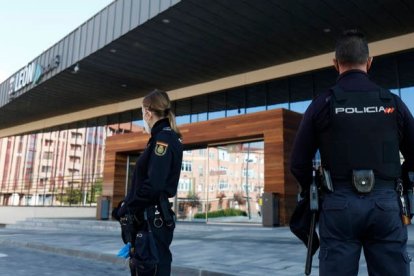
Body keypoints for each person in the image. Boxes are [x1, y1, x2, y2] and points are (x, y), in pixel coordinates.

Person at [290, 29, 414, 275]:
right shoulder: (392, 102)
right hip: (386, 203)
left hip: (338, 204)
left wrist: (315, 191)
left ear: (335, 64)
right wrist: (397, 181)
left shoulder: (322, 103)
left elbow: (298, 163)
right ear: (369, 62)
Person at [115, 89, 183, 276]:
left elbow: (154, 185)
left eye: (142, 113)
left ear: (148, 112)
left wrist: (126, 207)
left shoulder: (163, 140)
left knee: (150, 269)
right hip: (150, 219)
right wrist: (125, 205)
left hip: (152, 219)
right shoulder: (162, 138)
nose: (142, 117)